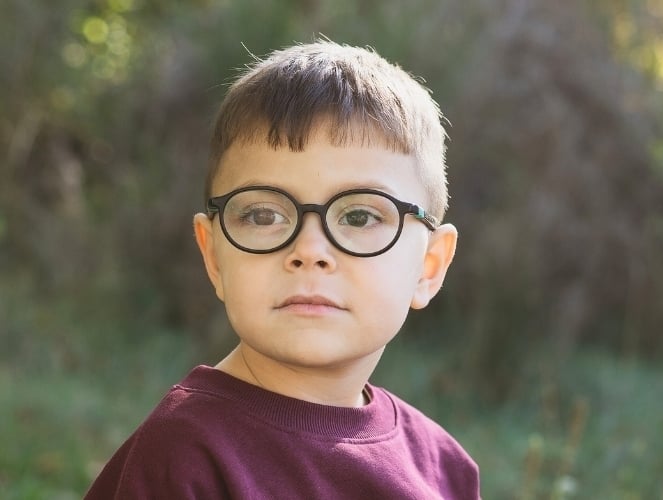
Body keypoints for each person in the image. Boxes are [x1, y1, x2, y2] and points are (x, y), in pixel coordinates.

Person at [85, 40, 480, 499]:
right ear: (214, 256)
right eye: (263, 215)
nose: (309, 250)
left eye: (359, 216)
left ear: (429, 266)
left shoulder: (444, 468)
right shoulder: (182, 459)